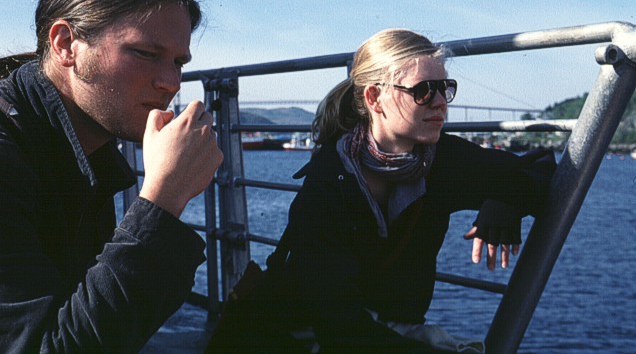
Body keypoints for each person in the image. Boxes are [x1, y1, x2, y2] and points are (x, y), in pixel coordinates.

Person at [206, 28, 556, 353]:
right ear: (375, 97)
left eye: (444, 87)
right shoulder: (330, 180)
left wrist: (506, 201)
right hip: (297, 332)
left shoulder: (442, 159)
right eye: (423, 90)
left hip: (378, 329)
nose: (439, 102)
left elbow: (542, 167)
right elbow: (337, 326)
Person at [0, 0, 223, 352]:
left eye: (178, 61)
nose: (171, 82)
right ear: (66, 43)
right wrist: (163, 200)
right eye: (145, 53)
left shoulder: (79, 147)